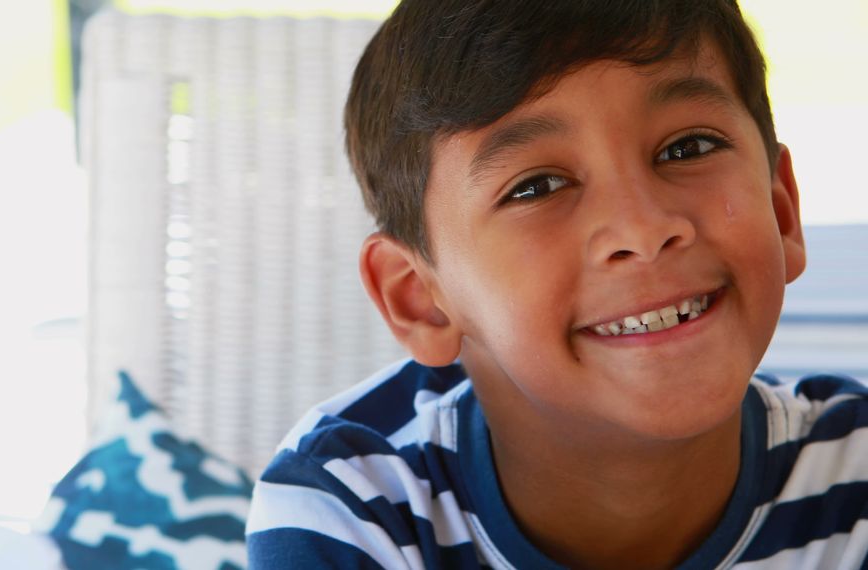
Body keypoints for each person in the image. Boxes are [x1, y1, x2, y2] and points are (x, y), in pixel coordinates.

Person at [245, 0, 868, 567]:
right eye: (537, 187)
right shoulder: (351, 507)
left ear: (781, 210)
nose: (643, 229)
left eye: (688, 147)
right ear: (419, 298)